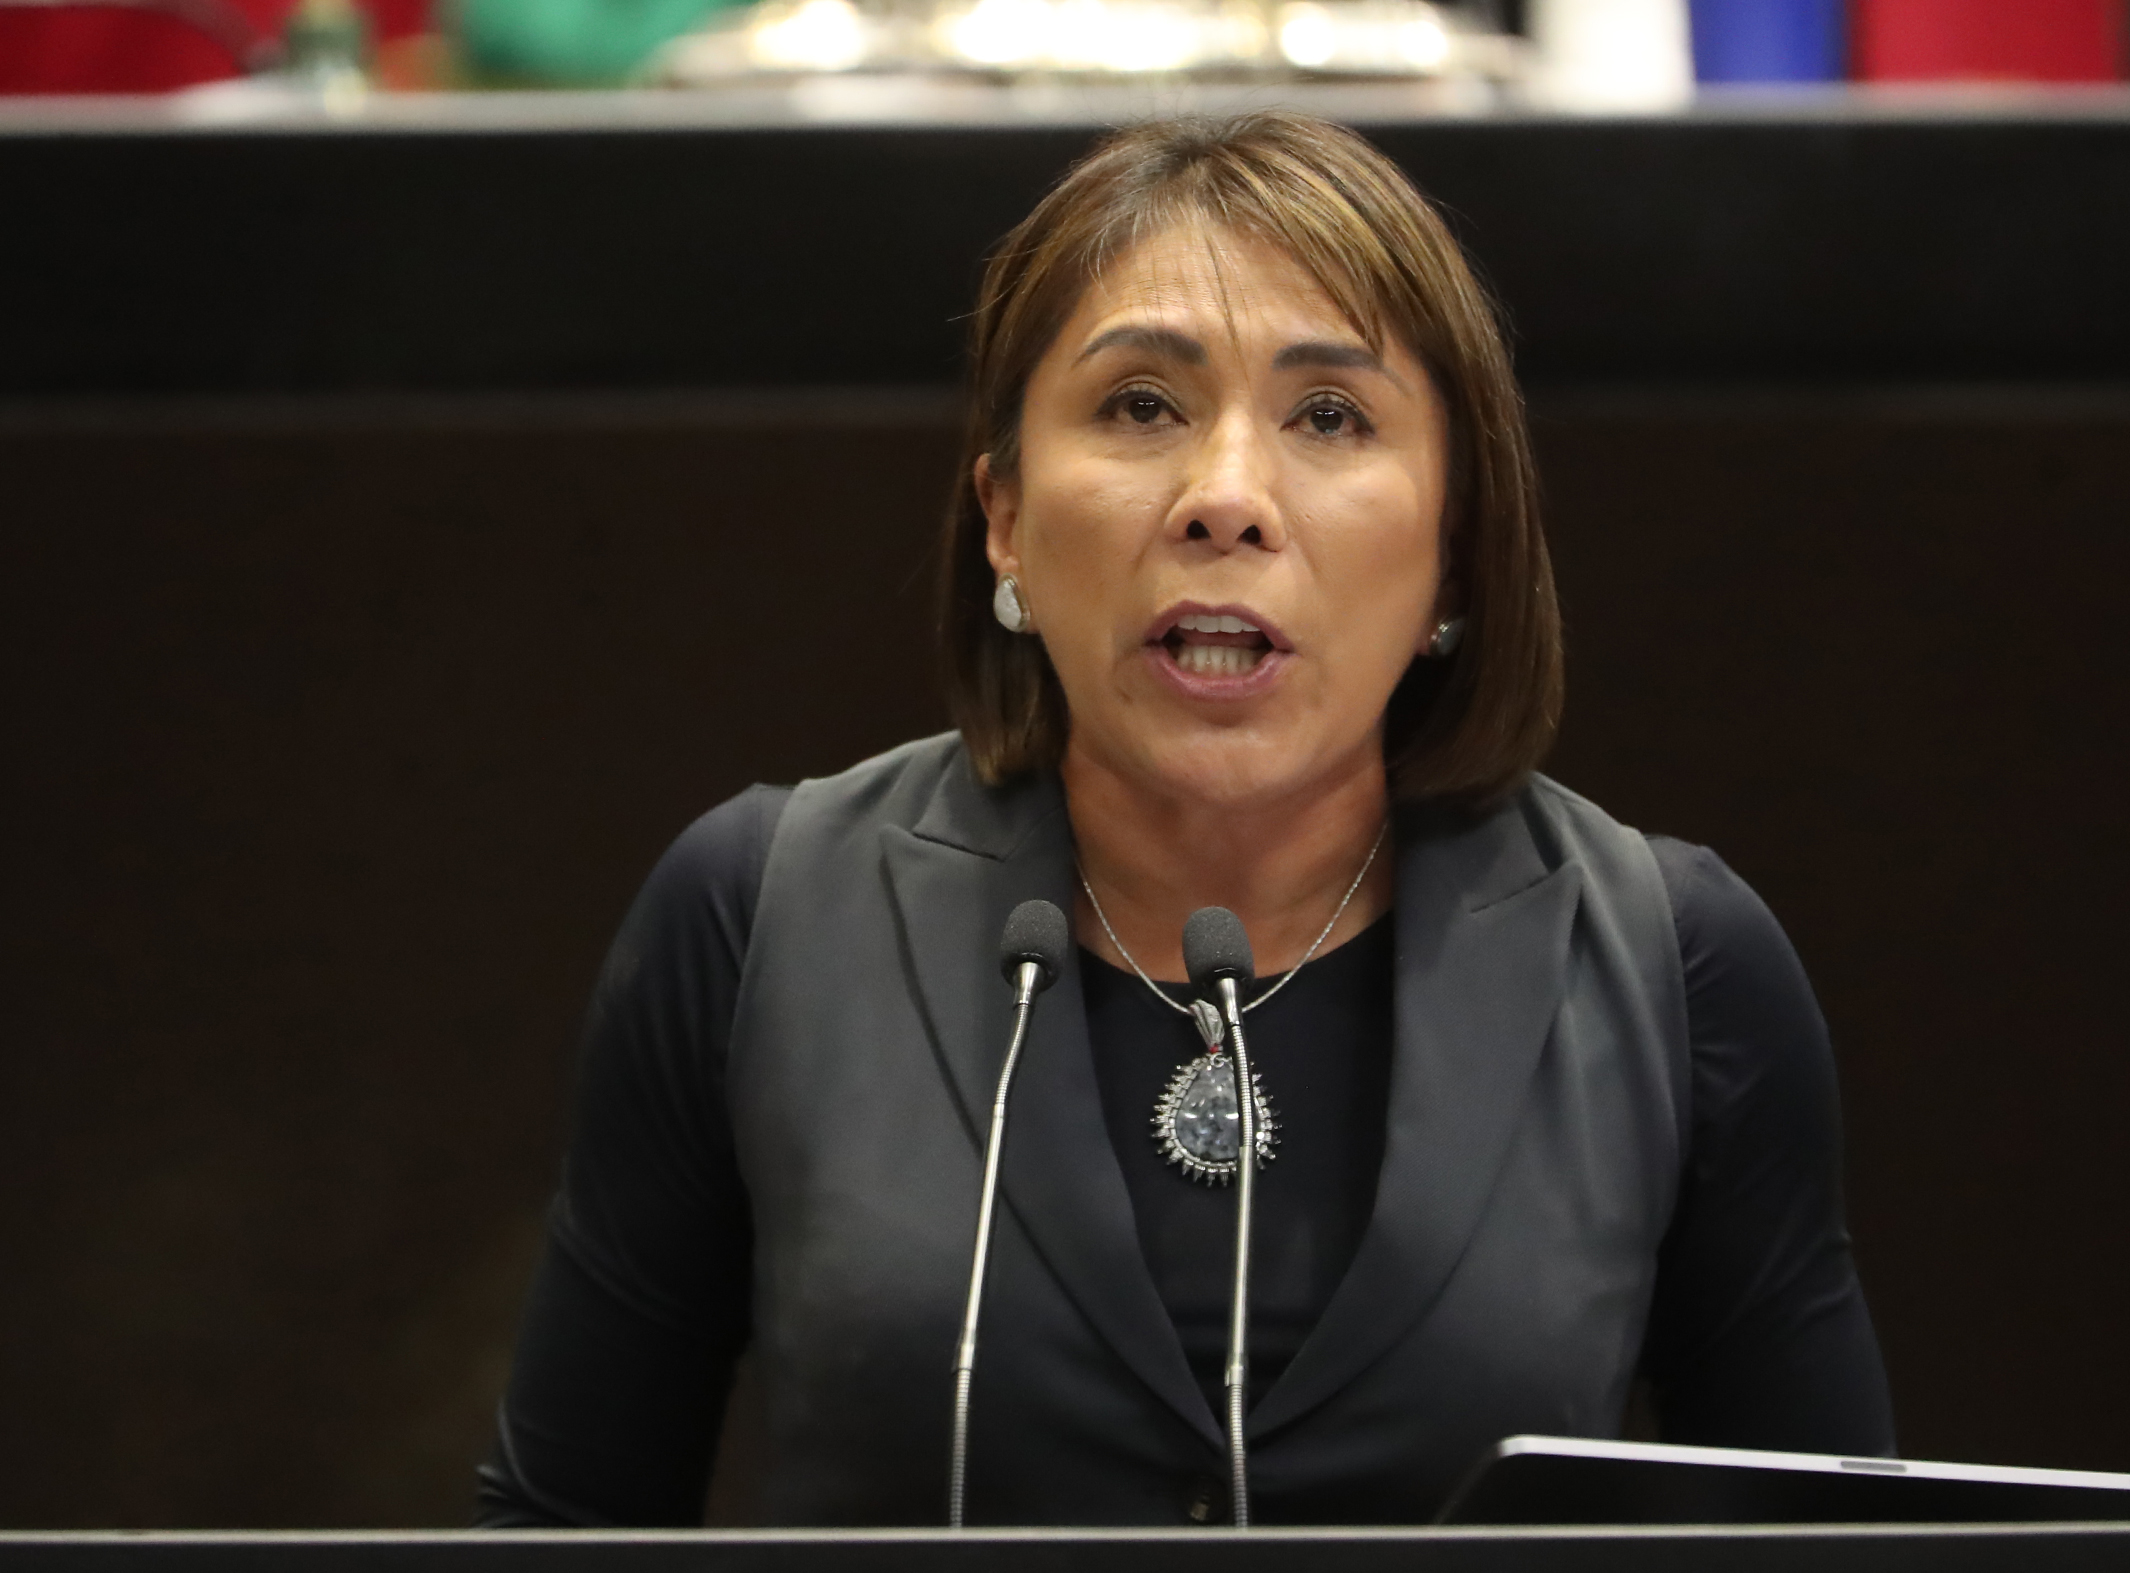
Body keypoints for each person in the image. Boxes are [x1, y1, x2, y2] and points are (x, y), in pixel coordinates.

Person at [476, 110, 1892, 1530]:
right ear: (1004, 516)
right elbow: (555, 1535)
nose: (1227, 499)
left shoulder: (1673, 963)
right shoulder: (758, 916)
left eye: (1329, 416)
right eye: (1142, 405)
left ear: (1456, 547)